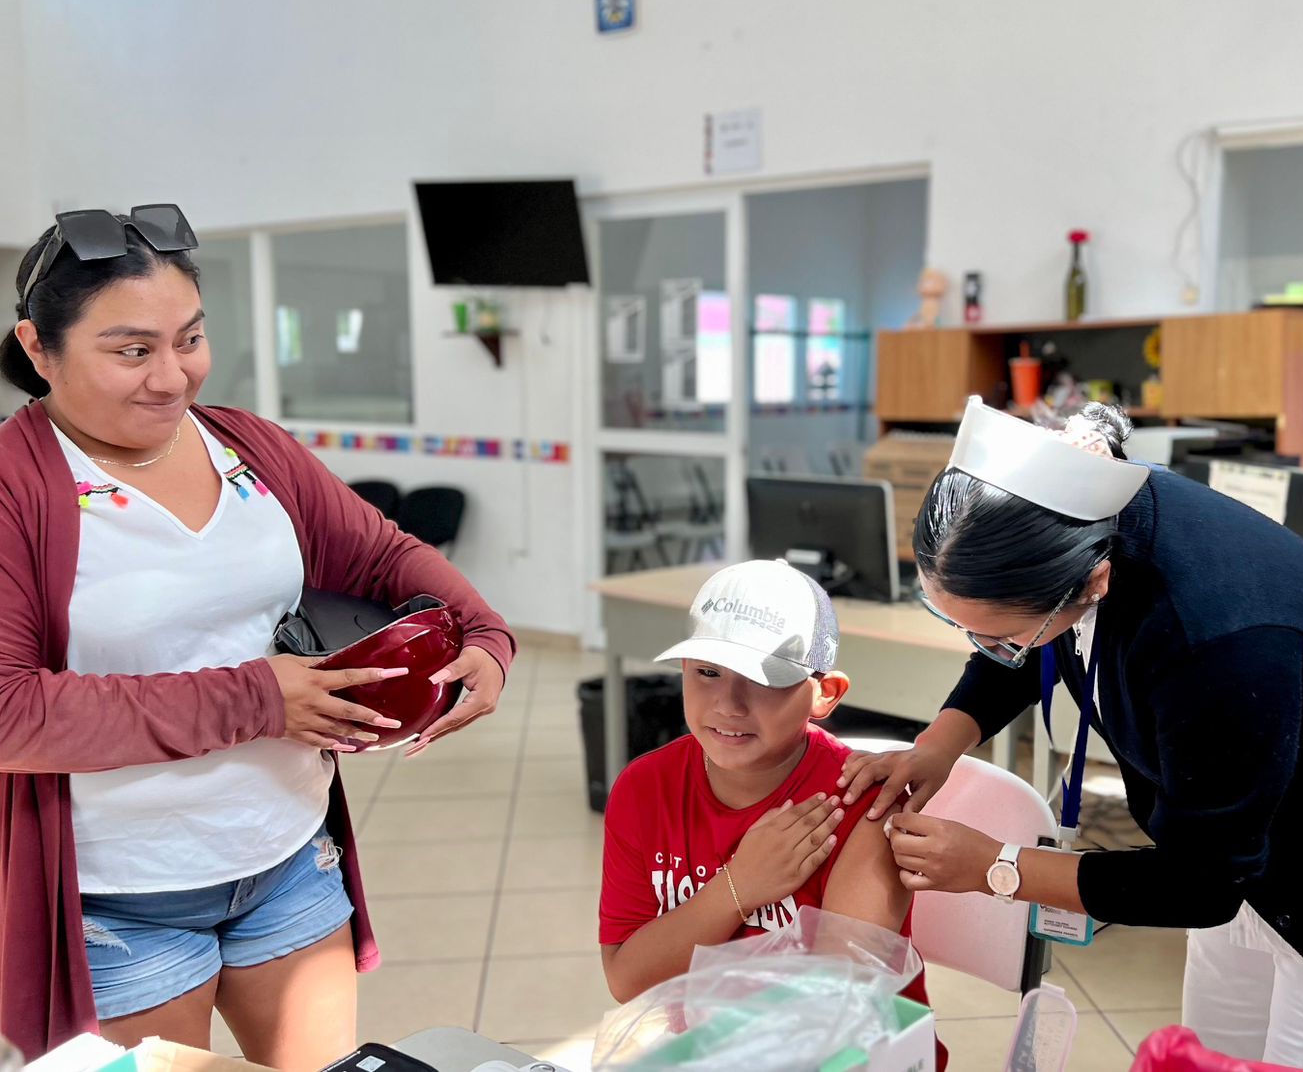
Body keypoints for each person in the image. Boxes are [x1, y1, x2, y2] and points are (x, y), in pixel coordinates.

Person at [838, 397, 1303, 1072]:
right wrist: (937, 747)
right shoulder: (1075, 518)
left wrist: (996, 866)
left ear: (1095, 581)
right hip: (1252, 860)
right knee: (1210, 1058)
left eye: (999, 634)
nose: (988, 647)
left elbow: (1201, 884)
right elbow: (1021, 639)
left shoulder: (1219, 635)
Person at [0, 206, 516, 1068]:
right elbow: (11, 712)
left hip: (288, 858)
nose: (172, 377)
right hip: (120, 897)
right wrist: (260, 698)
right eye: (132, 351)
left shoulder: (246, 447)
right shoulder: (16, 489)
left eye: (191, 339)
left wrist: (485, 632)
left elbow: (382, 552)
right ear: (38, 348)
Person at [598, 560, 945, 1068]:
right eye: (708, 672)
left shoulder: (863, 803)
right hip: (711, 1052)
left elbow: (834, 1010)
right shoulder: (643, 789)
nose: (729, 704)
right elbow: (628, 979)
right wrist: (740, 887)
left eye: (764, 679)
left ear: (825, 693)